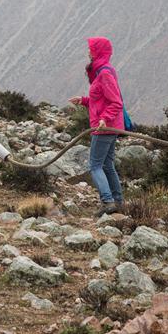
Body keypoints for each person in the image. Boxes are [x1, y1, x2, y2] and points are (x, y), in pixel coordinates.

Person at [69, 37, 125, 216]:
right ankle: (118, 202)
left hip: (104, 127)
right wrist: (84, 101)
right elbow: (100, 99)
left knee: (95, 165)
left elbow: (116, 102)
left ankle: (108, 202)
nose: (88, 52)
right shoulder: (102, 71)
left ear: (98, 52)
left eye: (91, 49)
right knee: (107, 164)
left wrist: (104, 119)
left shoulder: (104, 73)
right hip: (106, 126)